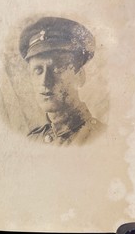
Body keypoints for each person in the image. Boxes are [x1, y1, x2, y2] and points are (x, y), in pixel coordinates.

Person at [19, 16, 105, 145]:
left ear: (80, 76)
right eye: (38, 70)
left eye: (57, 69)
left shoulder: (100, 138)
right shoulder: (31, 140)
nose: (45, 81)